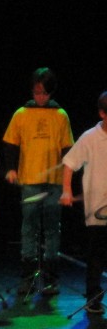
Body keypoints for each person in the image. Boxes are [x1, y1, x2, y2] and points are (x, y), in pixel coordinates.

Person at [3, 68, 74, 296]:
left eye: (44, 93)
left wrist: (66, 183)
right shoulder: (21, 113)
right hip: (30, 180)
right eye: (37, 92)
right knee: (29, 228)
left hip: (54, 182)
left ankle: (51, 279)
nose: (40, 97)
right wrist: (11, 168)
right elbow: (11, 143)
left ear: (51, 92)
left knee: (52, 230)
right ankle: (28, 277)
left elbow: (68, 149)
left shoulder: (60, 115)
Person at [60, 91, 107, 314]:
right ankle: (93, 297)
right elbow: (69, 163)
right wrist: (66, 190)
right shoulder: (89, 137)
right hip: (97, 208)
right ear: (102, 114)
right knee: (96, 255)